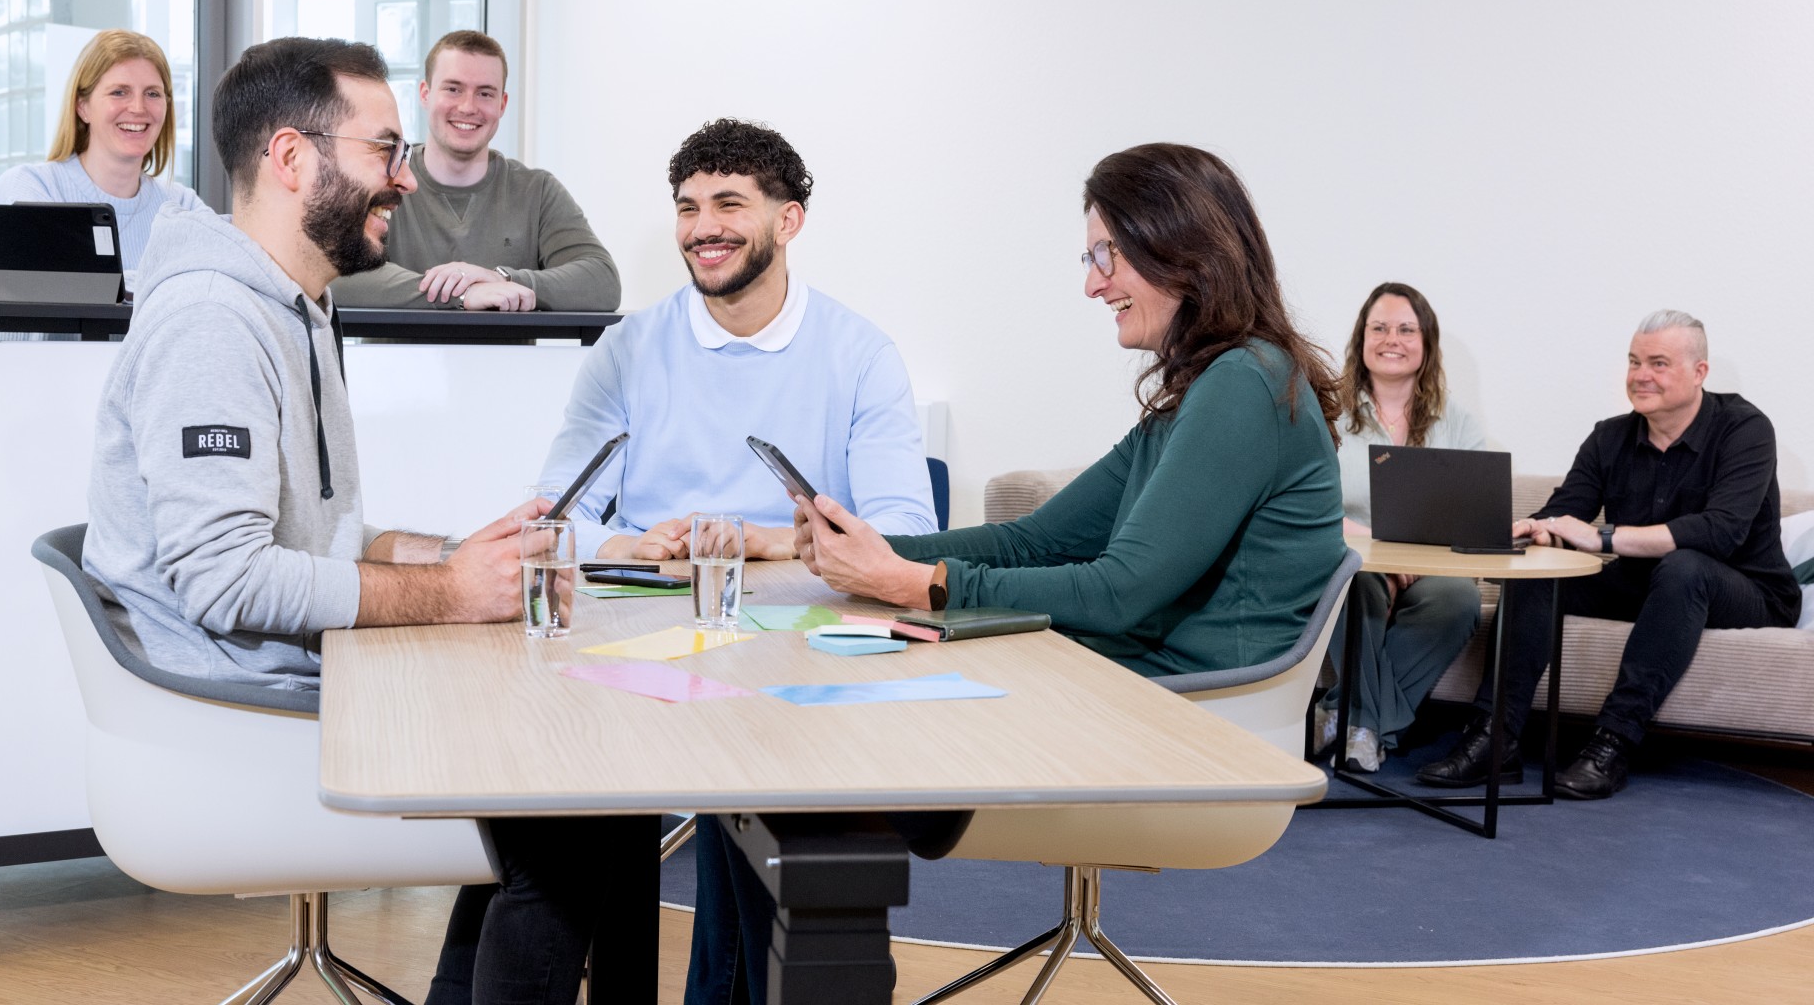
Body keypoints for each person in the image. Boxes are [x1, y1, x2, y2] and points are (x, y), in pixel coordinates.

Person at [689, 143, 1346, 1005]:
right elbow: (1035, 541)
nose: (1093, 283)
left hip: (1186, 730)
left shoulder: (1245, 385)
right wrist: (875, 554)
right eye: (1091, 258)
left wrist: (918, 585)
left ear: (1180, 249)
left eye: (1107, 256)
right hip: (1125, 694)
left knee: (795, 762)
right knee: (762, 758)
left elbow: (1119, 590)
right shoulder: (1203, 393)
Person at [81, 35, 653, 1005]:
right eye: (383, 153)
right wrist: (447, 593)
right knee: (579, 798)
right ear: (293, 159)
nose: (405, 181)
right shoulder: (215, 324)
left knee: (575, 784)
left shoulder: (291, 310)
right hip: (235, 715)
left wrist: (460, 555)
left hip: (289, 673)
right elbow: (225, 582)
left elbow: (309, 539)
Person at [1416, 310, 1801, 799]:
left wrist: (1601, 538)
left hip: (1748, 591)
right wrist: (1536, 528)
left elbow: (1718, 534)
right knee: (1538, 575)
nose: (1641, 376)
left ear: (1700, 372)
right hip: (1647, 585)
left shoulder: (1745, 429)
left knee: (1685, 568)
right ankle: (1494, 738)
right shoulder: (1610, 436)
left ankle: (1613, 743)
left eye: (1658, 363)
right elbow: (1565, 512)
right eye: (1635, 361)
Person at [537, 116, 938, 562]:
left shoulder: (864, 357)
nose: (702, 229)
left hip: (804, 593)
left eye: (728, 205)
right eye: (688, 209)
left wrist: (775, 541)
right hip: (651, 589)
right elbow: (550, 519)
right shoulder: (622, 350)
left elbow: (908, 528)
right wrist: (627, 546)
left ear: (787, 222)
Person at [1314, 282, 1485, 771]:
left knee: (1459, 600)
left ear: (1426, 343)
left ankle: (1340, 712)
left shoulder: (1458, 422)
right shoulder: (1327, 412)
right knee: (1356, 584)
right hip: (1351, 559)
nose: (1392, 338)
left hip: (1430, 567)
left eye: (1406, 329)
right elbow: (1306, 500)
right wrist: (1376, 550)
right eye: (1380, 327)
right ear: (1361, 340)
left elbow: (1472, 510)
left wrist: (1409, 558)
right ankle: (1367, 728)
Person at [330, 30, 619, 312]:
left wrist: (503, 279)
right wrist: (462, 292)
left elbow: (602, 282)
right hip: (399, 362)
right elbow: (335, 274)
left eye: (485, 93)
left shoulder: (537, 191)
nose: (468, 107)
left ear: (502, 104)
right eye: (453, 89)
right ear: (425, 94)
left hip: (507, 363)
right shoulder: (382, 181)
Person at [0, 28, 210, 282]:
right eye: (119, 92)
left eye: (152, 93)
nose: (138, 108)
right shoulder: (31, 188)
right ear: (83, 106)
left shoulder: (183, 205)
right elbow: (57, 290)